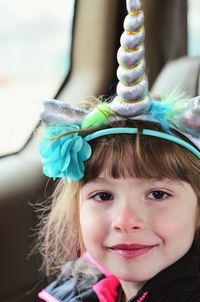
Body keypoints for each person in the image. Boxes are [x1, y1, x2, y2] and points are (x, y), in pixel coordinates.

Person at [37, 0, 200, 301]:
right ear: (77, 211)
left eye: (158, 194)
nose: (125, 221)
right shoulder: (78, 285)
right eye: (102, 195)